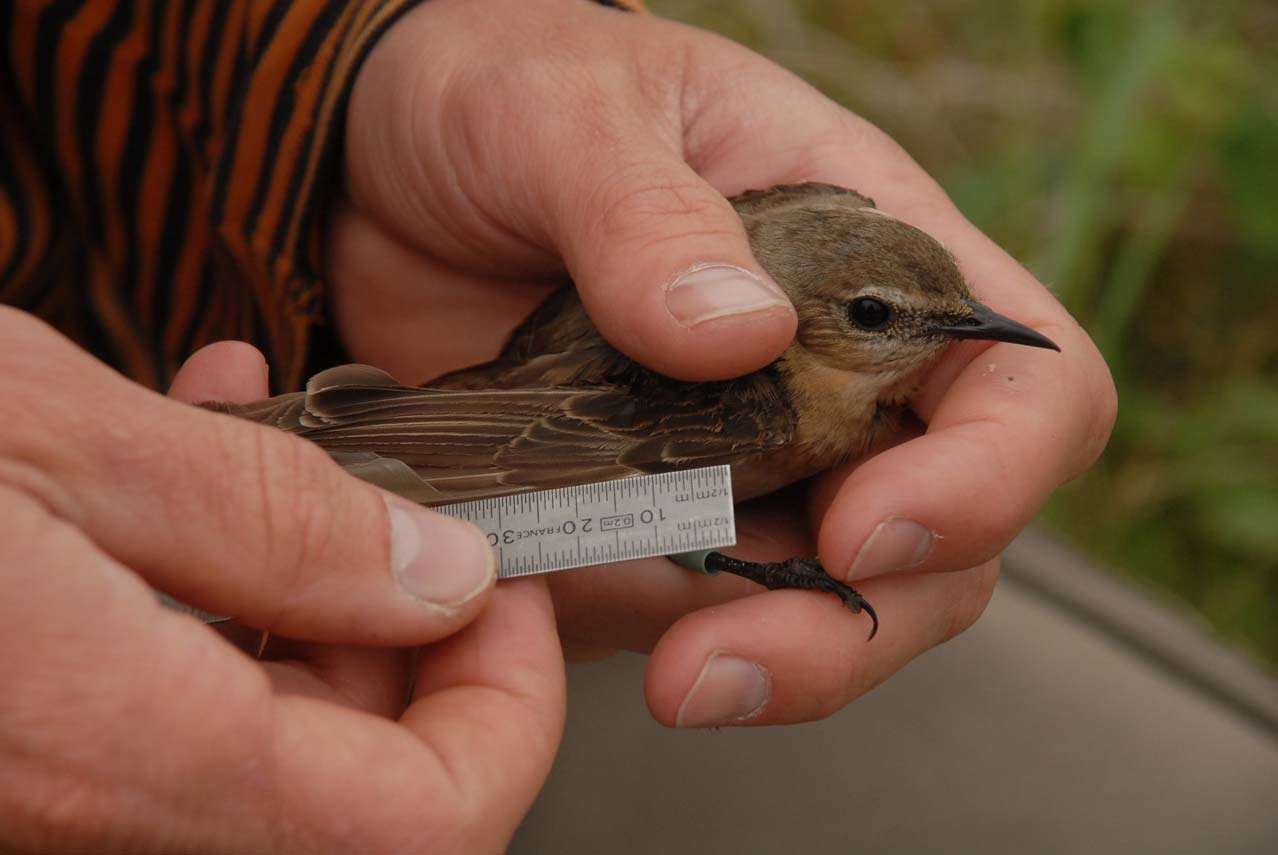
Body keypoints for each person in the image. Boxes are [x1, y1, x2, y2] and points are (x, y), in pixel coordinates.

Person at [0, 0, 1116, 849]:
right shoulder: (750, 394)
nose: (959, 338)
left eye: (950, 319)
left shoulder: (825, 252)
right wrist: (709, 545)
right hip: (336, 486)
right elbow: (526, 442)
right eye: (878, 322)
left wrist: (384, 53)